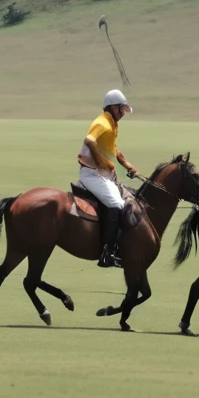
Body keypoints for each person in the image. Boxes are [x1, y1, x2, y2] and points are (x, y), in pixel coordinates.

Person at [77, 89, 139, 268]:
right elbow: (89, 140)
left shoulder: (112, 124)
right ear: (112, 107)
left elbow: (114, 150)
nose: (123, 113)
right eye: (121, 109)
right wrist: (101, 162)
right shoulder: (102, 122)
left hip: (104, 175)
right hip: (93, 175)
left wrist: (127, 165)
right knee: (117, 205)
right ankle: (107, 253)